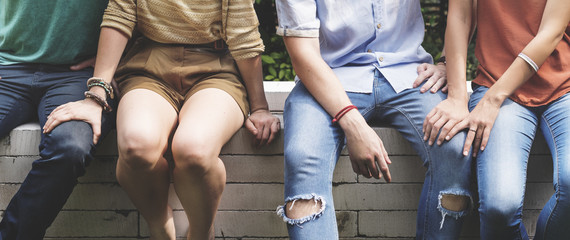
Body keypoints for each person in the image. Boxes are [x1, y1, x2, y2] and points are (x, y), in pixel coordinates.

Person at [45, 0, 281, 239]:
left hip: (216, 68)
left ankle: (201, 234)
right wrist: (97, 93)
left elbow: (244, 34)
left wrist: (260, 106)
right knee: (137, 146)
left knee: (194, 150)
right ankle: (160, 226)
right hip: (148, 67)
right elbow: (120, 14)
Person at [274, 0, 474, 239]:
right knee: (303, 157)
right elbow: (302, 53)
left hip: (409, 76)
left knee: (455, 149)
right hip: (327, 77)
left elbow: (464, 8)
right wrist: (352, 123)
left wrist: (445, 63)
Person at [436, 0, 570, 239]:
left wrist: (491, 100)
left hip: (563, 88)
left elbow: (551, 32)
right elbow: (461, 17)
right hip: (495, 84)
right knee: (500, 207)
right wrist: (457, 98)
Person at [0, 0, 115, 239]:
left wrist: (116, 61)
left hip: (79, 75)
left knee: (70, 148)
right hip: (7, 67)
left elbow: (139, 9)